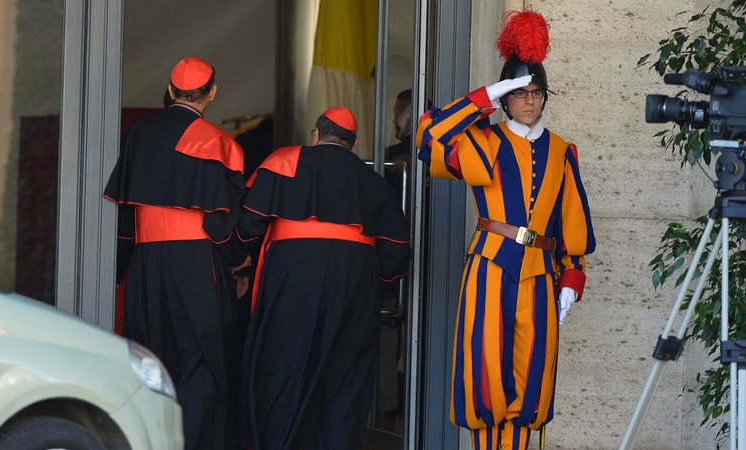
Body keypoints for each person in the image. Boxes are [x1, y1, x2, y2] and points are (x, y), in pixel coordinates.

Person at [415, 9, 595, 450]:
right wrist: (485, 96)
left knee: (530, 380)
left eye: (535, 92)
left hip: (539, 274)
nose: (529, 101)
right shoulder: (484, 139)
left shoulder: (561, 151)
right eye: (518, 93)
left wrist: (572, 277)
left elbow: (571, 222)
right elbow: (427, 139)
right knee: (485, 375)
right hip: (490, 268)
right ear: (506, 98)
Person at [238, 106, 411, 450]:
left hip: (294, 271)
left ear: (315, 135)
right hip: (355, 275)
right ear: (354, 142)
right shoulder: (373, 181)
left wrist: (240, 263)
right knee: (345, 375)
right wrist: (379, 286)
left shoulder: (284, 161)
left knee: (284, 365)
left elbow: (247, 227)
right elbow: (397, 253)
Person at [104, 56, 248, 450]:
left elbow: (125, 213)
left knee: (150, 355)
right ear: (212, 93)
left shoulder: (137, 133)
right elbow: (220, 222)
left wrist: (118, 271)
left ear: (170, 91)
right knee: (199, 357)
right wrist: (239, 262)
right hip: (196, 260)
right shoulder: (219, 142)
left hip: (147, 260)